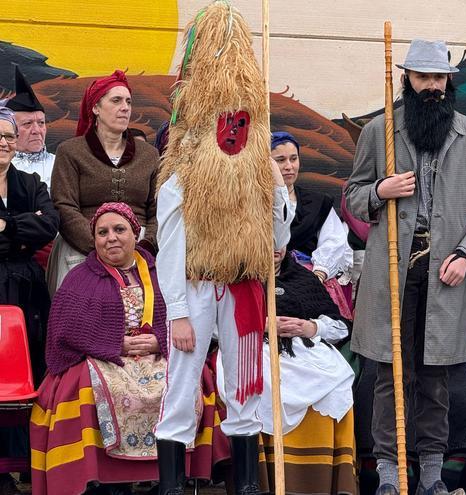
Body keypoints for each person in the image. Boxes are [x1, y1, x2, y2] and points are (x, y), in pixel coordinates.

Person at [344, 38, 466, 495]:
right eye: (423, 77)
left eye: (440, 78)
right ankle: (392, 479)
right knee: (388, 376)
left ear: (450, 81)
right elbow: (353, 195)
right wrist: (381, 190)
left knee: (436, 378)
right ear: (408, 81)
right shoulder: (380, 132)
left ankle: (432, 478)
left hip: (446, 273)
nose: (432, 86)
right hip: (391, 270)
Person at [153, 4, 293, 494]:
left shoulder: (257, 172)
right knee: (182, 386)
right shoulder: (183, 175)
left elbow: (277, 244)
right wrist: (177, 314)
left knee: (245, 387)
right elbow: (169, 247)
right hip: (195, 288)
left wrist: (276, 191)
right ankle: (171, 485)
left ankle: (247, 485)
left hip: (243, 291)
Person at [29, 203, 228, 495]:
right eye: (102, 232)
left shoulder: (164, 274)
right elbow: (64, 331)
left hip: (160, 355)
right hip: (104, 359)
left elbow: (191, 319)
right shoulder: (79, 278)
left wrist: (161, 339)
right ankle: (108, 480)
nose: (111, 238)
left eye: (119, 229)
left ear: (135, 233)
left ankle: (169, 479)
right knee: (85, 384)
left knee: (188, 381)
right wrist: (115, 343)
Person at [218, 249, 356, 494]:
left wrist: (311, 327)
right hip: (252, 349)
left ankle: (318, 483)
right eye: (267, 242)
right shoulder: (233, 276)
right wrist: (259, 324)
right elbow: (214, 325)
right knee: (259, 384)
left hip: (305, 353)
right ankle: (260, 483)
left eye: (280, 241)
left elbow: (340, 327)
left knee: (336, 382)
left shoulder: (305, 279)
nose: (275, 248)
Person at [48, 70, 159, 295]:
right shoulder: (70, 152)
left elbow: (157, 209)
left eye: (128, 101)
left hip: (138, 252)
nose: (125, 107)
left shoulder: (150, 155)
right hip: (81, 252)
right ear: (96, 108)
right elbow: (64, 206)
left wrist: (144, 246)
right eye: (116, 100)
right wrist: (102, 245)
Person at [0, 106, 58, 495]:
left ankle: (25, 463)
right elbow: (34, 226)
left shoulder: (31, 181)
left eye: (8, 136)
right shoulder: (30, 194)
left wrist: (7, 225)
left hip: (25, 291)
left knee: (30, 371)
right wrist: (23, 226)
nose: (3, 143)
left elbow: (49, 224)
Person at [271, 131, 353, 313]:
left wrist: (317, 275)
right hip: (267, 279)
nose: (289, 166)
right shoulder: (252, 205)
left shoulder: (316, 202)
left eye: (293, 159)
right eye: (280, 160)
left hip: (310, 279)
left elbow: (334, 240)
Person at [7, 65, 54, 190]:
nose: (37, 131)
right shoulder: (3, 166)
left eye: (41, 123)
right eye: (27, 124)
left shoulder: (61, 165)